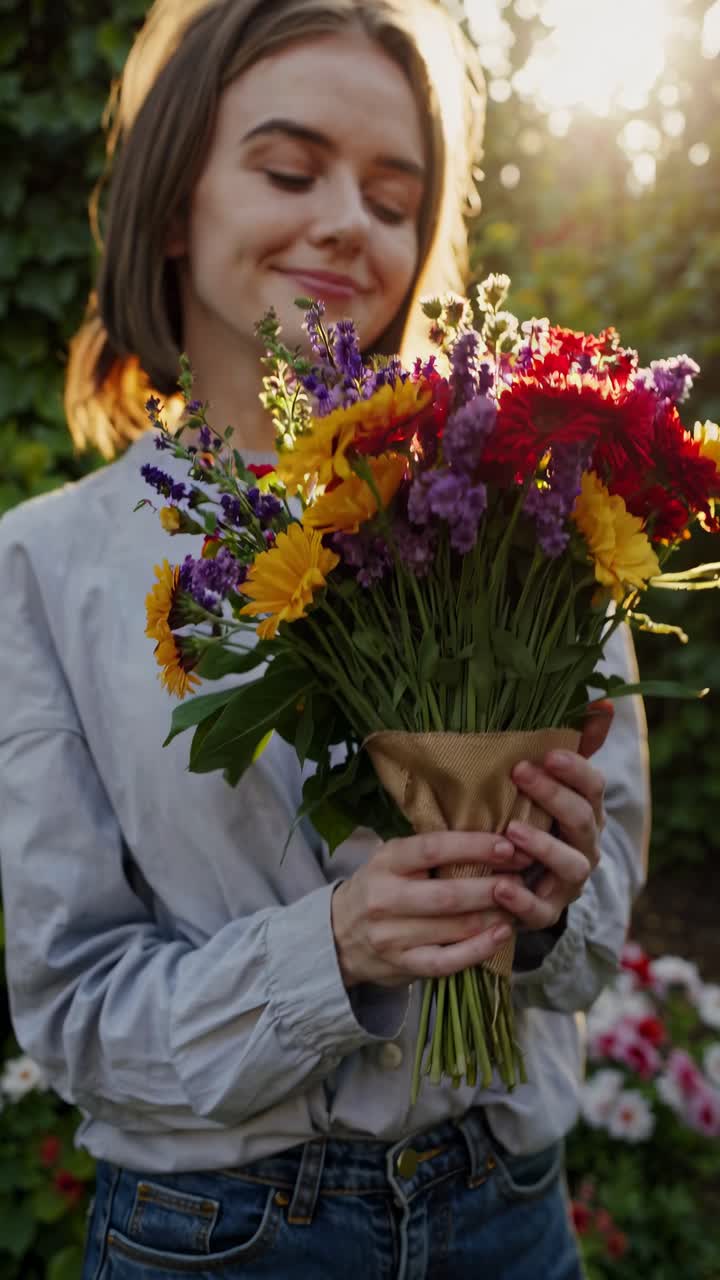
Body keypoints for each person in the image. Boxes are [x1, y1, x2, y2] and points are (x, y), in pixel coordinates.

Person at [0, 2, 649, 1277]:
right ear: (174, 203)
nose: (351, 219)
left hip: (508, 1220)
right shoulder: (45, 568)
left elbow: (597, 927)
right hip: (217, 1242)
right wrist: (334, 946)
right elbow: (75, 1013)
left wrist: (544, 905)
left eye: (394, 193)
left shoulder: (536, 511)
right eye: (291, 171)